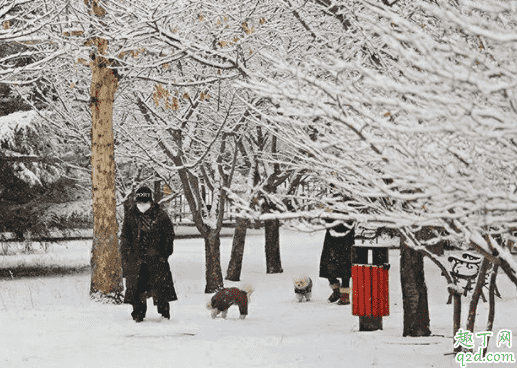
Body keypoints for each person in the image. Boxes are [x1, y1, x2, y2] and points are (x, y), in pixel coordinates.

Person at [120, 186, 177, 322]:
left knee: (160, 286)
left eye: (144, 201)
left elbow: (169, 235)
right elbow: (125, 236)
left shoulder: (160, 215)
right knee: (137, 287)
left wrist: (164, 253)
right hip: (136, 259)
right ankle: (138, 313)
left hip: (156, 259)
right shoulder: (131, 215)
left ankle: (164, 313)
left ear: (150, 200)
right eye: (140, 202)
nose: (142, 205)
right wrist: (127, 254)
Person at [319, 219, 355, 305]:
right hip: (331, 237)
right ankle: (337, 291)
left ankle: (345, 297)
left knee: (345, 267)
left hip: (346, 236)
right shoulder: (330, 207)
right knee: (327, 267)